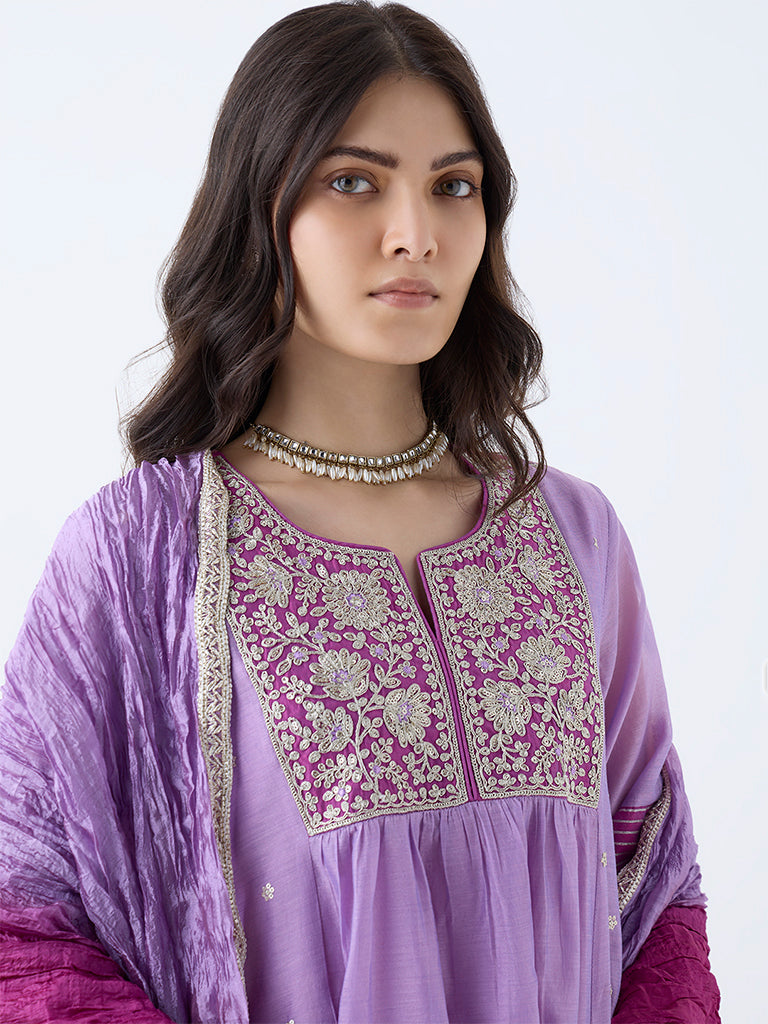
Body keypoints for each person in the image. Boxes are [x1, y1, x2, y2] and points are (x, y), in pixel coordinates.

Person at [0, 3, 720, 1022]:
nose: (415, 234)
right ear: (262, 204)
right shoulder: (143, 557)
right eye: (354, 181)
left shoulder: (574, 535)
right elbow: (31, 931)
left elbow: (656, 906)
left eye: (453, 186)